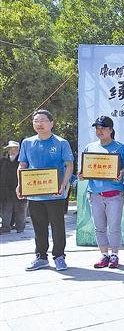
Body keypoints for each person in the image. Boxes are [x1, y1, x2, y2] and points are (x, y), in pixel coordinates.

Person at [16, 110, 74, 271]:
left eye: (43, 120)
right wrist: (20, 184)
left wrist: (63, 184)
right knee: (39, 228)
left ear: (51, 123)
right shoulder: (27, 142)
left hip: (55, 194)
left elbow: (69, 165)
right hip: (35, 195)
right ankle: (41, 257)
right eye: (36, 121)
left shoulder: (61, 143)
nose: (39, 124)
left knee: (57, 227)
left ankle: (59, 257)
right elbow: (22, 165)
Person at [82, 116, 124, 269]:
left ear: (111, 130)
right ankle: (104, 255)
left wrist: (121, 172)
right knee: (99, 227)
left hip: (114, 194)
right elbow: (85, 168)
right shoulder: (90, 147)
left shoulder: (121, 148)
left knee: (114, 226)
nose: (99, 131)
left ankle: (114, 255)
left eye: (103, 128)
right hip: (95, 194)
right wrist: (82, 174)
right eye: (97, 128)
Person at [1, 141, 27, 234]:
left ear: (18, 149)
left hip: (20, 189)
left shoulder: (23, 161)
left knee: (20, 209)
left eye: (14, 148)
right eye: (10, 148)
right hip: (6, 190)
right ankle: (5, 227)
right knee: (6, 210)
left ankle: (20, 227)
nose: (12, 150)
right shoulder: (3, 161)